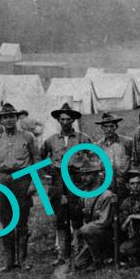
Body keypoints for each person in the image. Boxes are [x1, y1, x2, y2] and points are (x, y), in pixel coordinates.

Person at [0, 102, 38, 272]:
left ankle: (22, 260)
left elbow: (36, 161)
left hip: (22, 180)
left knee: (22, 222)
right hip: (2, 180)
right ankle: (9, 261)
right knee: (6, 221)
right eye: (5, 117)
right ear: (0, 121)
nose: (8, 120)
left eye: (11, 116)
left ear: (17, 118)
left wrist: (33, 183)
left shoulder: (28, 137)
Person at [41, 103, 93, 267]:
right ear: (58, 120)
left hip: (75, 180)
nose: (65, 122)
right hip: (57, 181)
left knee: (77, 216)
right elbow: (40, 157)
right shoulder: (51, 140)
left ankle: (78, 250)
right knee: (60, 217)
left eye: (68, 119)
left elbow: (93, 156)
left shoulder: (82, 138)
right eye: (62, 119)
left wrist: (86, 174)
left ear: (73, 120)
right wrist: (48, 168)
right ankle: (63, 254)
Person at [72, 161, 119, 272]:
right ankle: (101, 256)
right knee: (78, 264)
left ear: (95, 175)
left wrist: (85, 229)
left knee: (86, 229)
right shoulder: (84, 195)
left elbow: (104, 222)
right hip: (93, 235)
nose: (83, 178)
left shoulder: (106, 195)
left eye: (87, 174)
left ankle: (98, 262)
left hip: (107, 234)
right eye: (82, 174)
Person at [95, 112, 133, 197]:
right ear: (102, 128)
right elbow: (96, 166)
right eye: (106, 126)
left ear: (116, 127)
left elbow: (134, 161)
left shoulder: (127, 142)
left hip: (124, 184)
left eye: (111, 126)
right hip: (107, 186)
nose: (109, 129)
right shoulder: (98, 146)